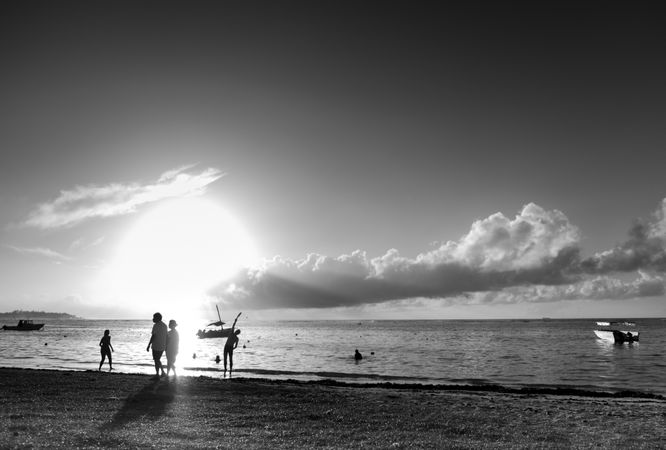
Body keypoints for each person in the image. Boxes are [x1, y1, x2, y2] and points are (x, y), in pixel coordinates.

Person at [146, 312, 168, 379]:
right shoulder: (165, 325)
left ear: (157, 318)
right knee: (158, 359)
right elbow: (166, 336)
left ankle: (157, 374)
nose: (153, 319)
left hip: (156, 345)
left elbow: (153, 336)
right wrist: (166, 345)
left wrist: (149, 345)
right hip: (162, 345)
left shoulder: (156, 325)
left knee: (156, 360)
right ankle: (162, 372)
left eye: (154, 317)